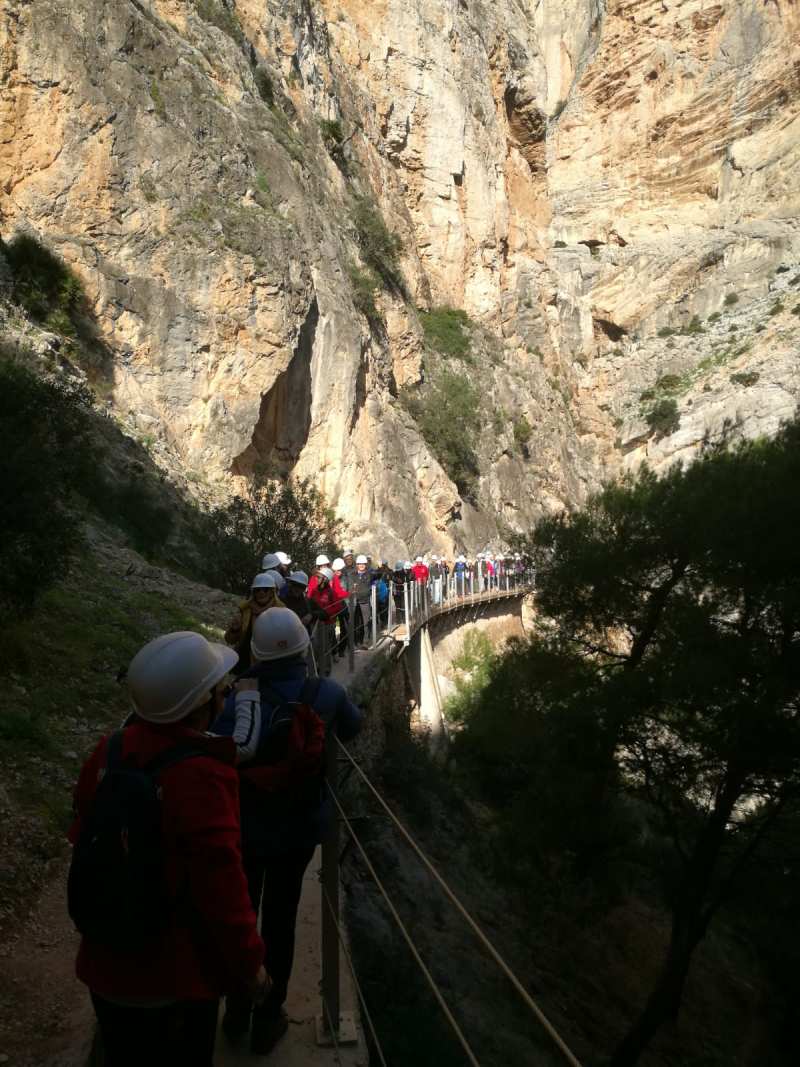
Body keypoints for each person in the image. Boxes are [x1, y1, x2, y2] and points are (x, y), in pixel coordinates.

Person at [69, 632, 268, 1067]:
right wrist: (249, 962)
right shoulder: (203, 775)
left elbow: (81, 835)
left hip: (104, 964)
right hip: (175, 976)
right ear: (201, 704)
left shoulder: (109, 750)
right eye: (220, 690)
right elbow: (221, 886)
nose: (226, 694)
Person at [215, 610, 362, 1054]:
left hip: (244, 827)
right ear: (304, 646)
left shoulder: (240, 698)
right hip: (297, 829)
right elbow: (353, 727)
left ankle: (237, 1010)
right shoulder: (325, 693)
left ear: (256, 652)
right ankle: (268, 1018)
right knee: (281, 920)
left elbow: (219, 744)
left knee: (242, 914)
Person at [224, 571, 281, 670]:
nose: (261, 593)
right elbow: (229, 640)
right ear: (253, 592)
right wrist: (234, 630)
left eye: (265, 589)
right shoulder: (245, 610)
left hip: (264, 667)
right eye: (257, 590)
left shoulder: (280, 612)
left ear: (272, 592)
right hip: (241, 663)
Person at [353, 553, 374, 648]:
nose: (361, 565)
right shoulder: (353, 575)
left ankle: (365, 642)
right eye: (359, 564)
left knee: (366, 622)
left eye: (363, 564)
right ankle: (357, 641)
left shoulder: (370, 574)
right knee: (357, 623)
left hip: (365, 601)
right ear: (357, 564)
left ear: (366, 564)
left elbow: (374, 583)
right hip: (355, 602)